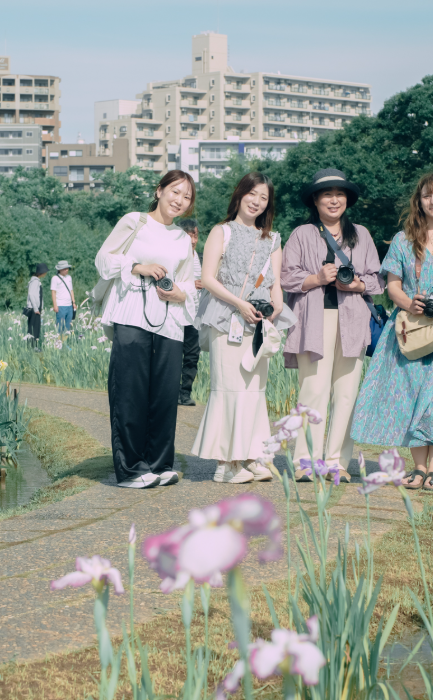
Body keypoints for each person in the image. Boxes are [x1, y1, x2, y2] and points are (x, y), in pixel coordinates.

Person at [352, 171, 433, 492]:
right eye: (427, 195)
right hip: (411, 329)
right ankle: (419, 467)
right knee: (411, 396)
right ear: (418, 201)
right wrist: (410, 303)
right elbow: (392, 287)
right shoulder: (402, 241)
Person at [95, 170, 198, 488]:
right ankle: (130, 470)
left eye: (187, 197)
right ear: (159, 191)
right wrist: (138, 266)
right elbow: (103, 260)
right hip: (131, 316)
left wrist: (180, 293)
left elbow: (191, 282)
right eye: (175, 191)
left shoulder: (183, 239)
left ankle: (159, 463)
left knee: (164, 396)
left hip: (170, 322)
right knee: (130, 393)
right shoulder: (135, 222)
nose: (179, 200)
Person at [191, 172, 294, 483]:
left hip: (257, 324)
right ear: (240, 194)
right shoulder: (221, 231)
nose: (257, 202)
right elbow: (208, 278)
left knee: (253, 391)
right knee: (228, 389)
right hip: (226, 319)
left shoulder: (273, 239)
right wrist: (239, 304)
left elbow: (274, 283)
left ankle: (252, 457)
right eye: (252, 194)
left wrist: (276, 307)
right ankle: (225, 464)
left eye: (264, 198)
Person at [281, 168, 382, 480]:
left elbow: (377, 279)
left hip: (353, 320)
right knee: (313, 390)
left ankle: (337, 462)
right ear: (315, 200)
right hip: (313, 320)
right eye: (327, 194)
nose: (334, 200)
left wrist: (357, 285)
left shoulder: (361, 234)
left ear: (347, 200)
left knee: (346, 393)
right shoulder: (301, 234)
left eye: (340, 194)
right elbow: (285, 276)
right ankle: (305, 462)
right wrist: (316, 278)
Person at [176, 219, 202, 405]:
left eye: (195, 236)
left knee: (192, 355)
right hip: (177, 312)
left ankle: (185, 393)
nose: (193, 240)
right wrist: (192, 285)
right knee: (174, 355)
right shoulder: (174, 256)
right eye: (189, 236)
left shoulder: (200, 257)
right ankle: (170, 392)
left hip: (195, 314)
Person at [51, 261, 75, 334]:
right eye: (65, 269)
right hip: (60, 305)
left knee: (68, 326)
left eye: (67, 268)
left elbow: (71, 290)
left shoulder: (69, 277)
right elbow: (53, 292)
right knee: (60, 326)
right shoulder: (55, 278)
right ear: (60, 269)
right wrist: (55, 305)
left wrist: (73, 302)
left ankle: (66, 340)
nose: (67, 270)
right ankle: (59, 339)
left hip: (69, 305)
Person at [26, 263, 47, 347]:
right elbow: (31, 294)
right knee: (34, 329)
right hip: (34, 309)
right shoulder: (35, 282)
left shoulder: (36, 281)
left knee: (35, 328)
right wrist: (36, 309)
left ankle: (33, 346)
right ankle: (32, 346)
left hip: (35, 308)